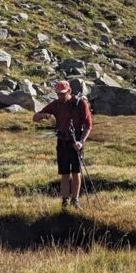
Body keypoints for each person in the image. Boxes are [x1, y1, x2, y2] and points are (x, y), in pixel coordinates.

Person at [34, 81, 93, 209]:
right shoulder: (56, 105)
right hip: (62, 141)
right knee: (64, 173)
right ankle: (65, 202)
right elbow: (35, 117)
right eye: (58, 94)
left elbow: (88, 126)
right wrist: (43, 115)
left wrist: (81, 142)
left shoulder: (80, 104)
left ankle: (75, 201)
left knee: (76, 172)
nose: (60, 97)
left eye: (62, 94)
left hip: (76, 141)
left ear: (69, 91)